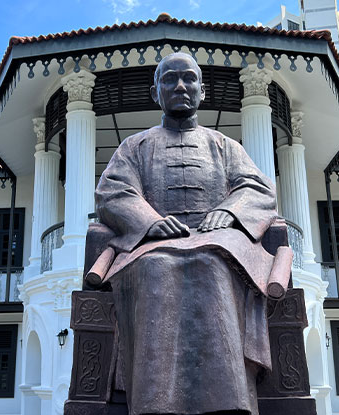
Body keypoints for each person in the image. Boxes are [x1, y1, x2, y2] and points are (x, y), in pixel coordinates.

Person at [94, 52, 278, 415]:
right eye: (169, 79)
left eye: (189, 78)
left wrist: (226, 212)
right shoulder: (134, 147)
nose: (180, 86)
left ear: (202, 91)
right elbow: (112, 192)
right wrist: (148, 222)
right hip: (152, 247)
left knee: (212, 264)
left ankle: (228, 402)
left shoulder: (225, 147)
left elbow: (259, 190)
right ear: (155, 92)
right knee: (155, 267)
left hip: (217, 244)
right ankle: (154, 403)